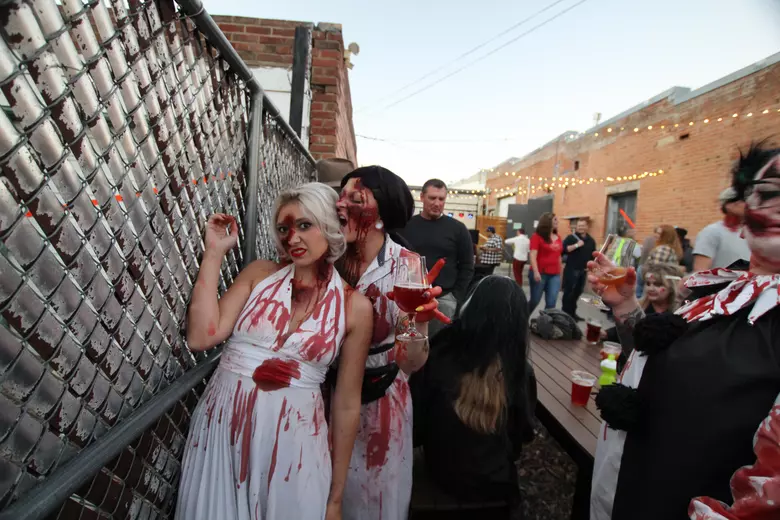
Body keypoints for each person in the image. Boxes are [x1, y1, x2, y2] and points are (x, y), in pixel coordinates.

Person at [588, 144, 780, 520]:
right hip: (630, 489)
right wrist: (626, 306)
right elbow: (658, 357)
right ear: (741, 216)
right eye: (770, 193)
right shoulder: (718, 291)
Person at [176, 183, 373, 520]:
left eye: (304, 226)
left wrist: (335, 499)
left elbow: (346, 404)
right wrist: (214, 252)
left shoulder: (354, 307)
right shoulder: (260, 274)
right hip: (223, 432)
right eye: (284, 228)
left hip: (296, 445)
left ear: (328, 224)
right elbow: (200, 337)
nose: (292, 237)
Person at [335, 166, 447, 520]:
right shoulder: (326, 258)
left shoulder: (407, 267)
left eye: (355, 199)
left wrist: (416, 321)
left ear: (382, 215)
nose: (340, 205)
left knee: (373, 500)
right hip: (322, 397)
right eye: (340, 196)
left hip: (380, 402)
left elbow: (411, 363)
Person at [415, 276, 535, 517]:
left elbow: (416, 427)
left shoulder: (439, 354)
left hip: (442, 475)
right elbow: (522, 435)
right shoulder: (519, 371)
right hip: (496, 485)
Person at [402, 179, 474, 336]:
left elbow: (467, 265)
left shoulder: (458, 229)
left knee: (440, 347)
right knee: (410, 344)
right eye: (432, 198)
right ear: (422, 197)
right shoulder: (407, 226)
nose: (437, 203)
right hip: (411, 297)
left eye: (441, 199)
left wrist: (456, 295)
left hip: (444, 298)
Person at [601, 263, 681, 345]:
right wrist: (606, 334)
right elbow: (627, 329)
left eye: (657, 284)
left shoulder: (676, 314)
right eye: (648, 284)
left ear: (671, 287)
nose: (651, 288)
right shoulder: (640, 306)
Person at [561, 218, 596, 321]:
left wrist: (590, 267)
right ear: (576, 227)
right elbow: (564, 250)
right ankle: (565, 314)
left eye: (583, 225)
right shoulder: (571, 238)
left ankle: (572, 313)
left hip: (583, 270)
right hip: (571, 270)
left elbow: (593, 255)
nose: (581, 227)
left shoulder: (591, 240)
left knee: (577, 292)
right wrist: (577, 245)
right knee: (568, 292)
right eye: (579, 226)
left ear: (587, 227)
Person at [528, 213, 563, 313]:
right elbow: (533, 255)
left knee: (551, 303)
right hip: (540, 273)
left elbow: (559, 257)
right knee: (535, 301)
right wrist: (535, 272)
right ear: (548, 221)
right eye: (555, 220)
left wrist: (560, 275)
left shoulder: (558, 237)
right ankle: (522, 319)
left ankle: (545, 325)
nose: (557, 222)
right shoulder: (537, 236)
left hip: (554, 275)